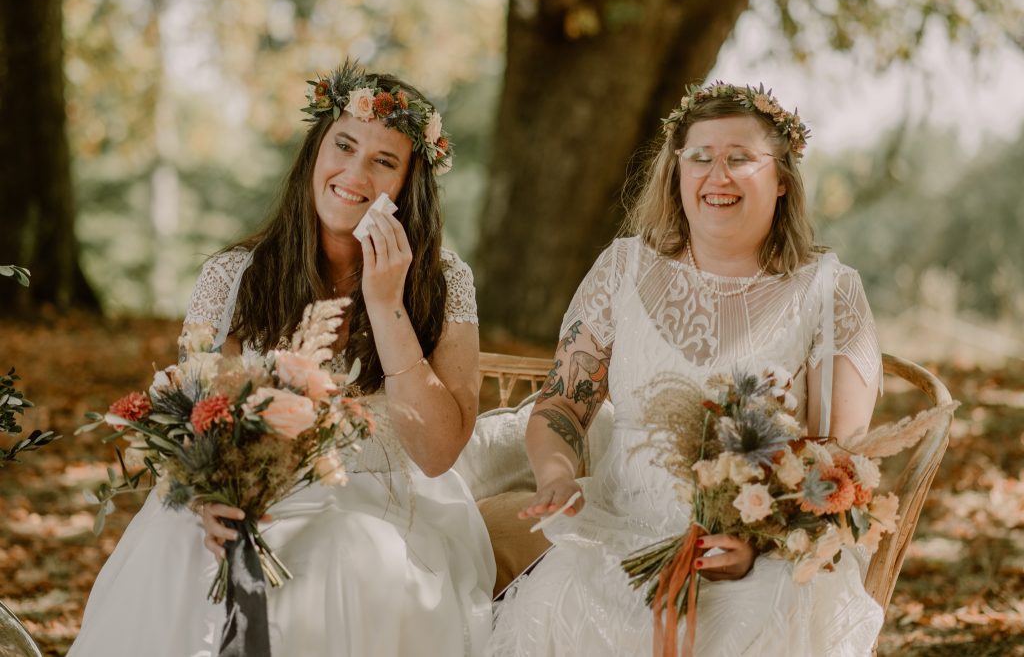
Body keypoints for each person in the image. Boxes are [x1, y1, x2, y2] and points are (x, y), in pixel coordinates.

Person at [70, 61, 495, 657]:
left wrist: (386, 303)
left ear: (408, 185)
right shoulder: (234, 276)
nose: (355, 173)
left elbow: (437, 452)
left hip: (385, 501)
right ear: (314, 155)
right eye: (343, 146)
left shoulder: (445, 281)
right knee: (176, 539)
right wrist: (206, 493)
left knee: (339, 552)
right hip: (261, 492)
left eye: (384, 160)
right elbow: (196, 417)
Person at [487, 82, 884, 656]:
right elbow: (562, 404)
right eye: (700, 157)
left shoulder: (828, 292)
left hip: (765, 547)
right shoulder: (622, 269)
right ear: (677, 172)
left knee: (755, 610)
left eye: (740, 159)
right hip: (618, 525)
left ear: (780, 181)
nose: (716, 175)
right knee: (569, 595)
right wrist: (556, 474)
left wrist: (756, 542)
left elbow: (838, 463)